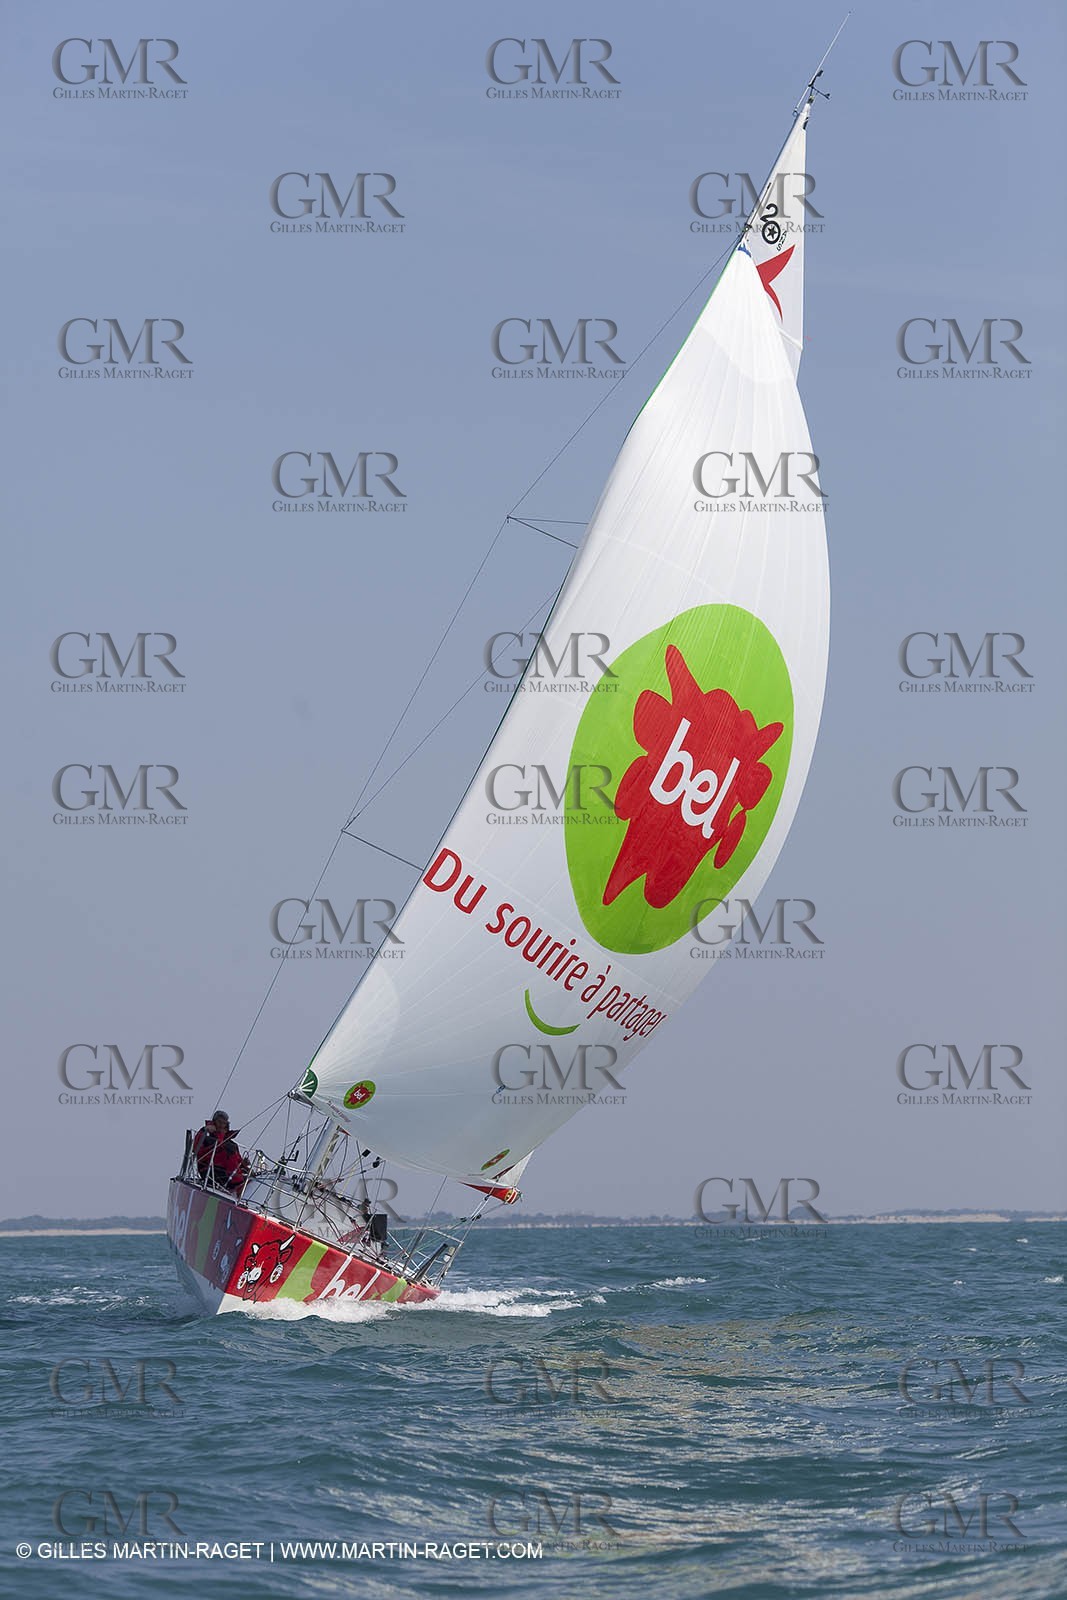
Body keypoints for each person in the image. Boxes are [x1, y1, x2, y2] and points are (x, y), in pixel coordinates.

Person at [192, 1111, 246, 1192]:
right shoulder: (207, 1135)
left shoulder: (231, 1143)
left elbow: (237, 1160)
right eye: (219, 1122)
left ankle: (240, 1188)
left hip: (229, 1175)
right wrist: (204, 1130)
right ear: (214, 1122)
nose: (221, 1125)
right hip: (211, 1171)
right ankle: (238, 1185)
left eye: (223, 1123)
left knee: (249, 1179)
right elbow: (195, 1147)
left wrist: (244, 1165)